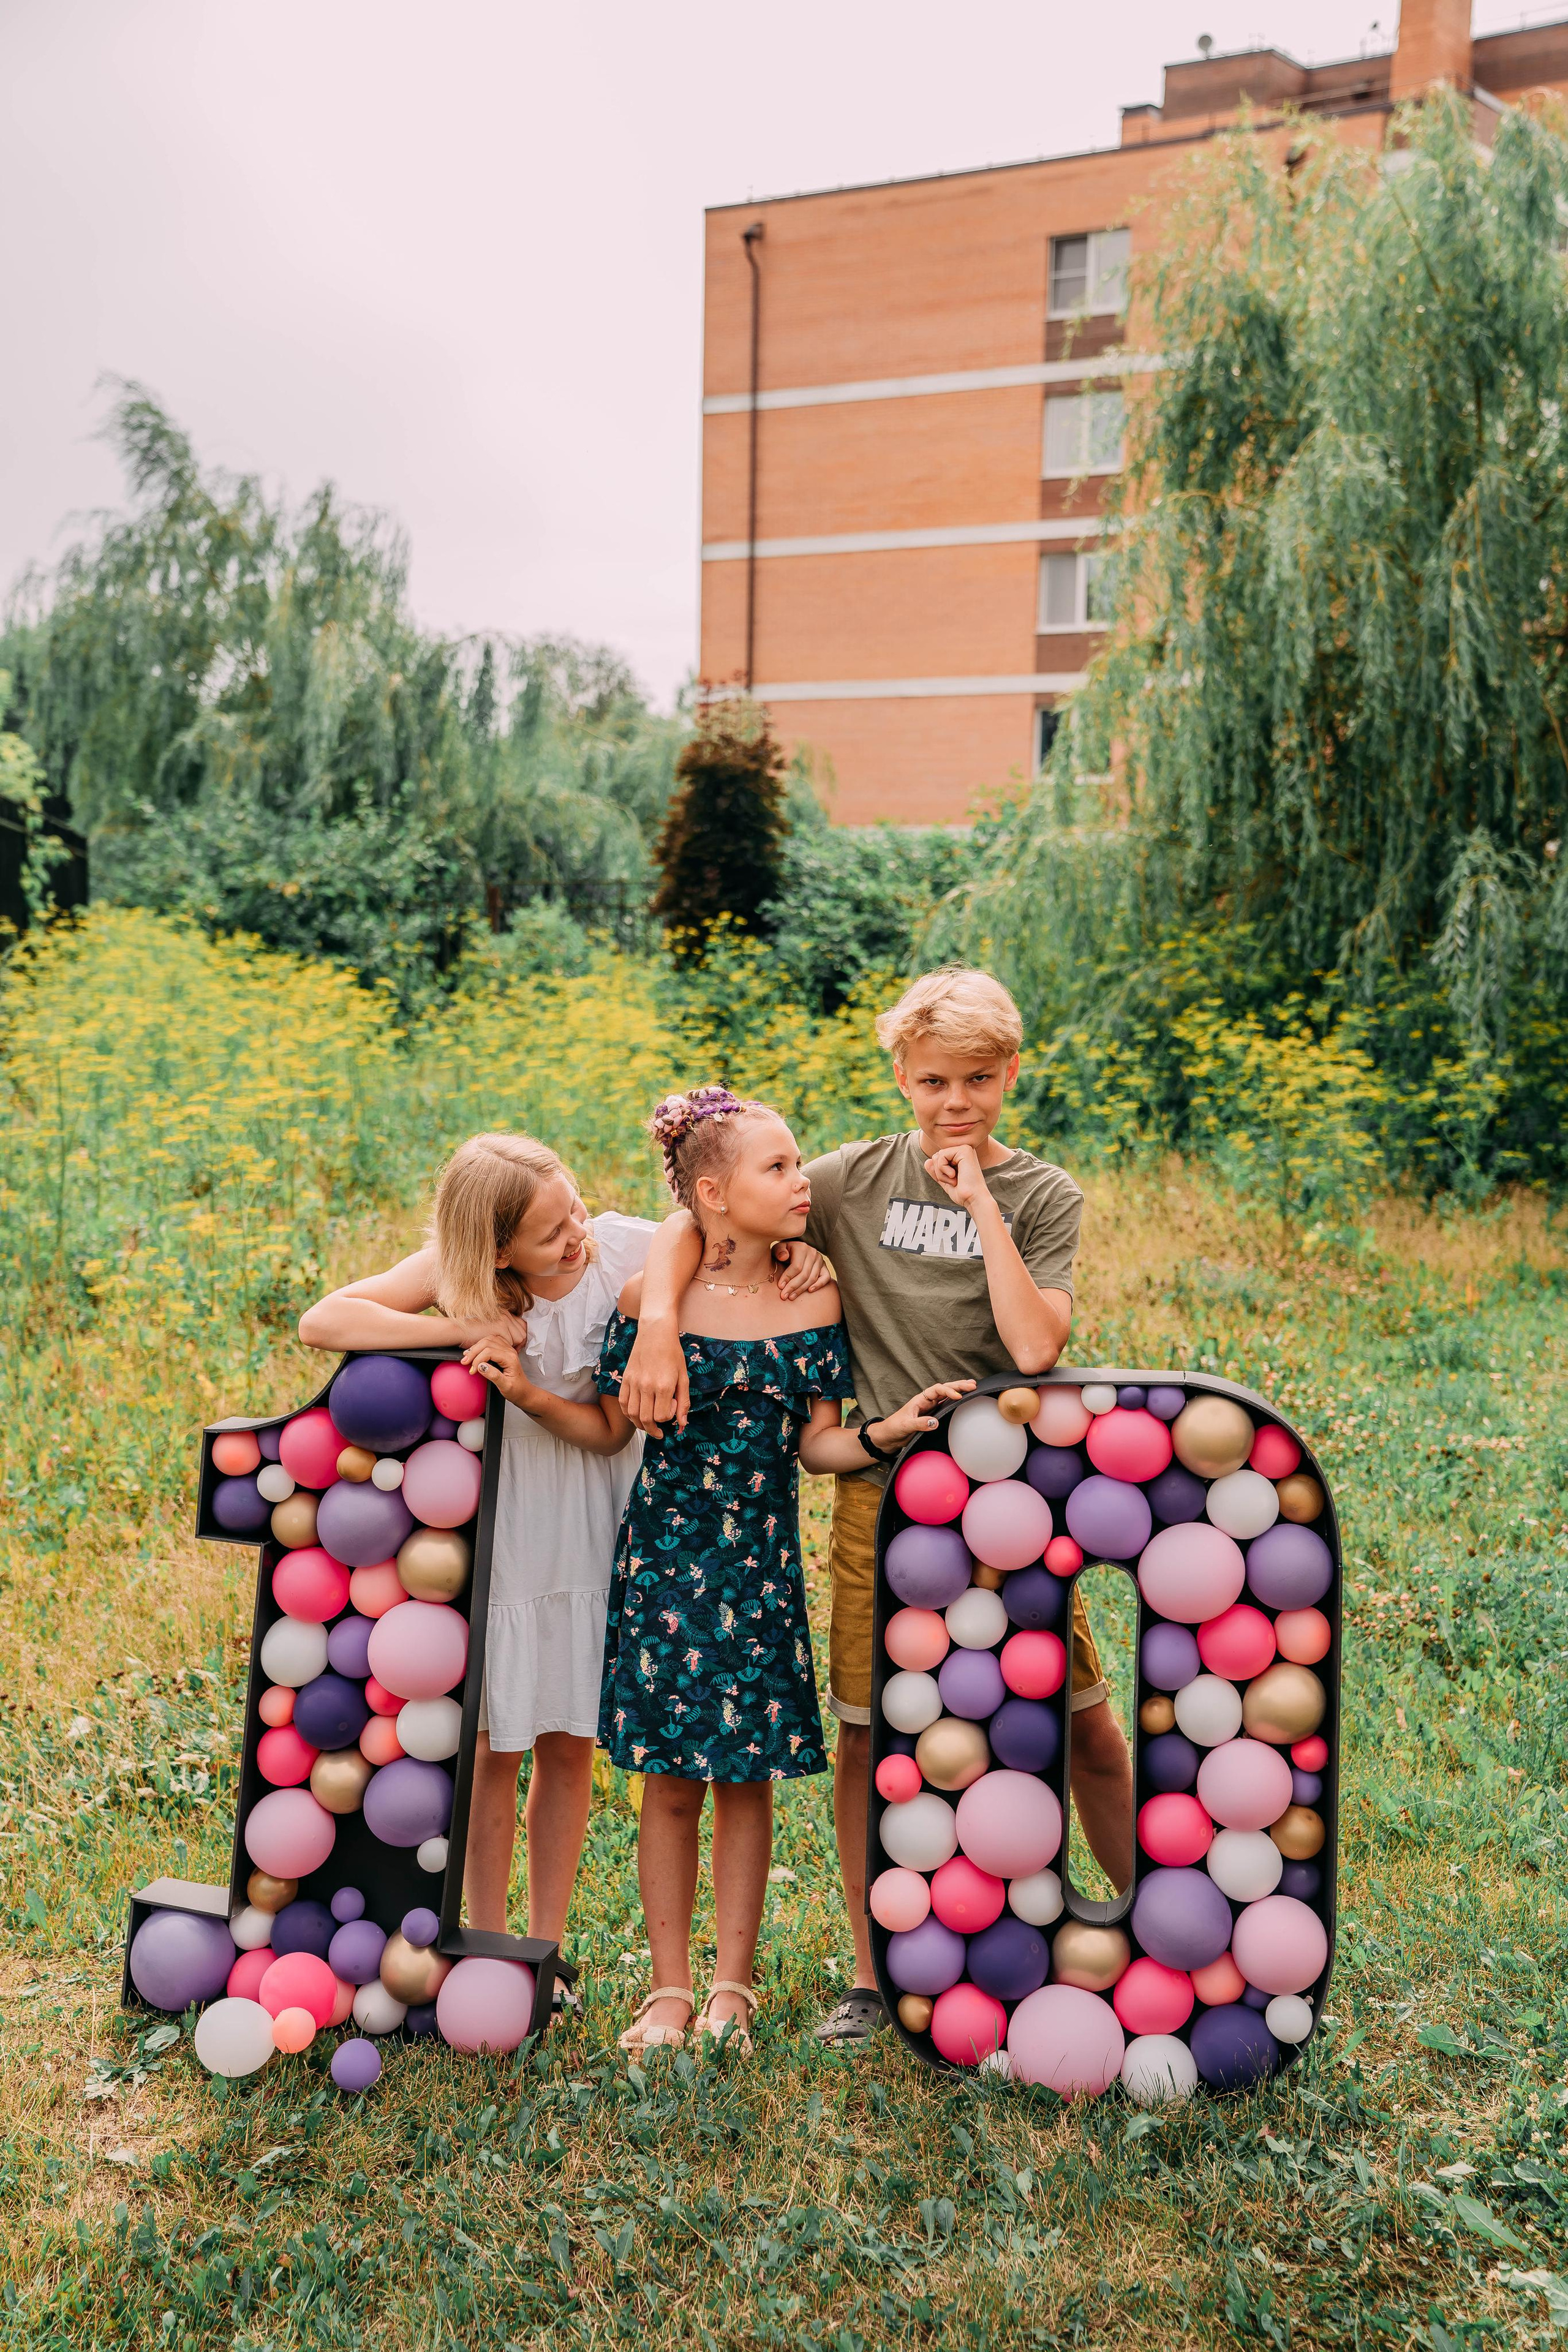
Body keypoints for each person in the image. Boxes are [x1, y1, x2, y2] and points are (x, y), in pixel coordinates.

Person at [617, 967, 1135, 2045]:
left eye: (980, 1081)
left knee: (1081, 1721)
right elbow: (698, 1209)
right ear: (902, 1076)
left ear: (1011, 1076)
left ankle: (1148, 1926)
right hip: (882, 1496)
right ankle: (873, 1970)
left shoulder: (1043, 1195)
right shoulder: (850, 1179)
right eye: (936, 1080)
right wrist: (661, 1318)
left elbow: (1038, 1344)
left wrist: (980, 1200)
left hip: (1013, 1496)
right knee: (869, 1736)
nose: (958, 1102)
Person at [299, 1130, 824, 1954]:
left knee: (567, 1739)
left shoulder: (619, 1247)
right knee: (491, 1740)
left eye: (573, 1208)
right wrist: (457, 1328)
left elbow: (702, 1231)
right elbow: (324, 1320)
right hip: (504, 1526)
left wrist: (796, 1251)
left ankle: (543, 1946)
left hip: (599, 1517)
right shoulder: (455, 1270)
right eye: (550, 1232)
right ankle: (485, 1934)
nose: (575, 1233)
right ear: (496, 1248)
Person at [587, 1085, 973, 2059]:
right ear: (712, 1194)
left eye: (799, 1164)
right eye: (779, 1168)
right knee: (669, 1785)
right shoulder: (650, 1302)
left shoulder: (815, 1295)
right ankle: (668, 1988)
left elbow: (820, 1448)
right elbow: (606, 1417)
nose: (803, 1183)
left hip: (758, 1573)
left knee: (745, 1780)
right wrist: (655, 1328)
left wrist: (886, 1433)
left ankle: (733, 1987)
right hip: (667, 1565)